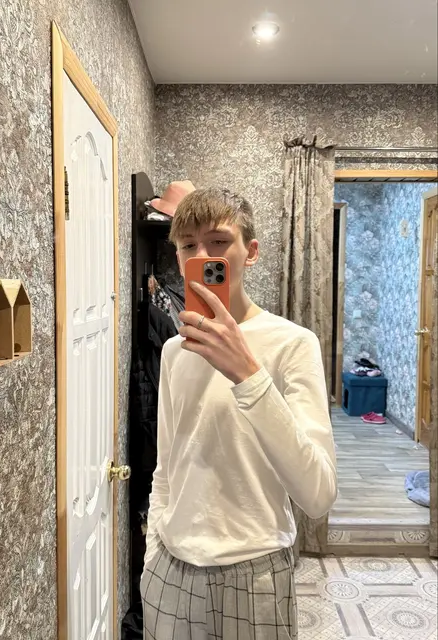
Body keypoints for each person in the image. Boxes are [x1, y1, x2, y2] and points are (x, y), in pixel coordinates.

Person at [140, 187, 337, 640]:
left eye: (218, 241)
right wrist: (154, 553)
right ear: (177, 257)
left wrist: (247, 373)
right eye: (188, 245)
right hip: (169, 570)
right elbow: (166, 465)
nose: (202, 256)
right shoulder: (174, 350)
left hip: (256, 574)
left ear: (250, 252)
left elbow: (318, 494)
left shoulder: (293, 344)